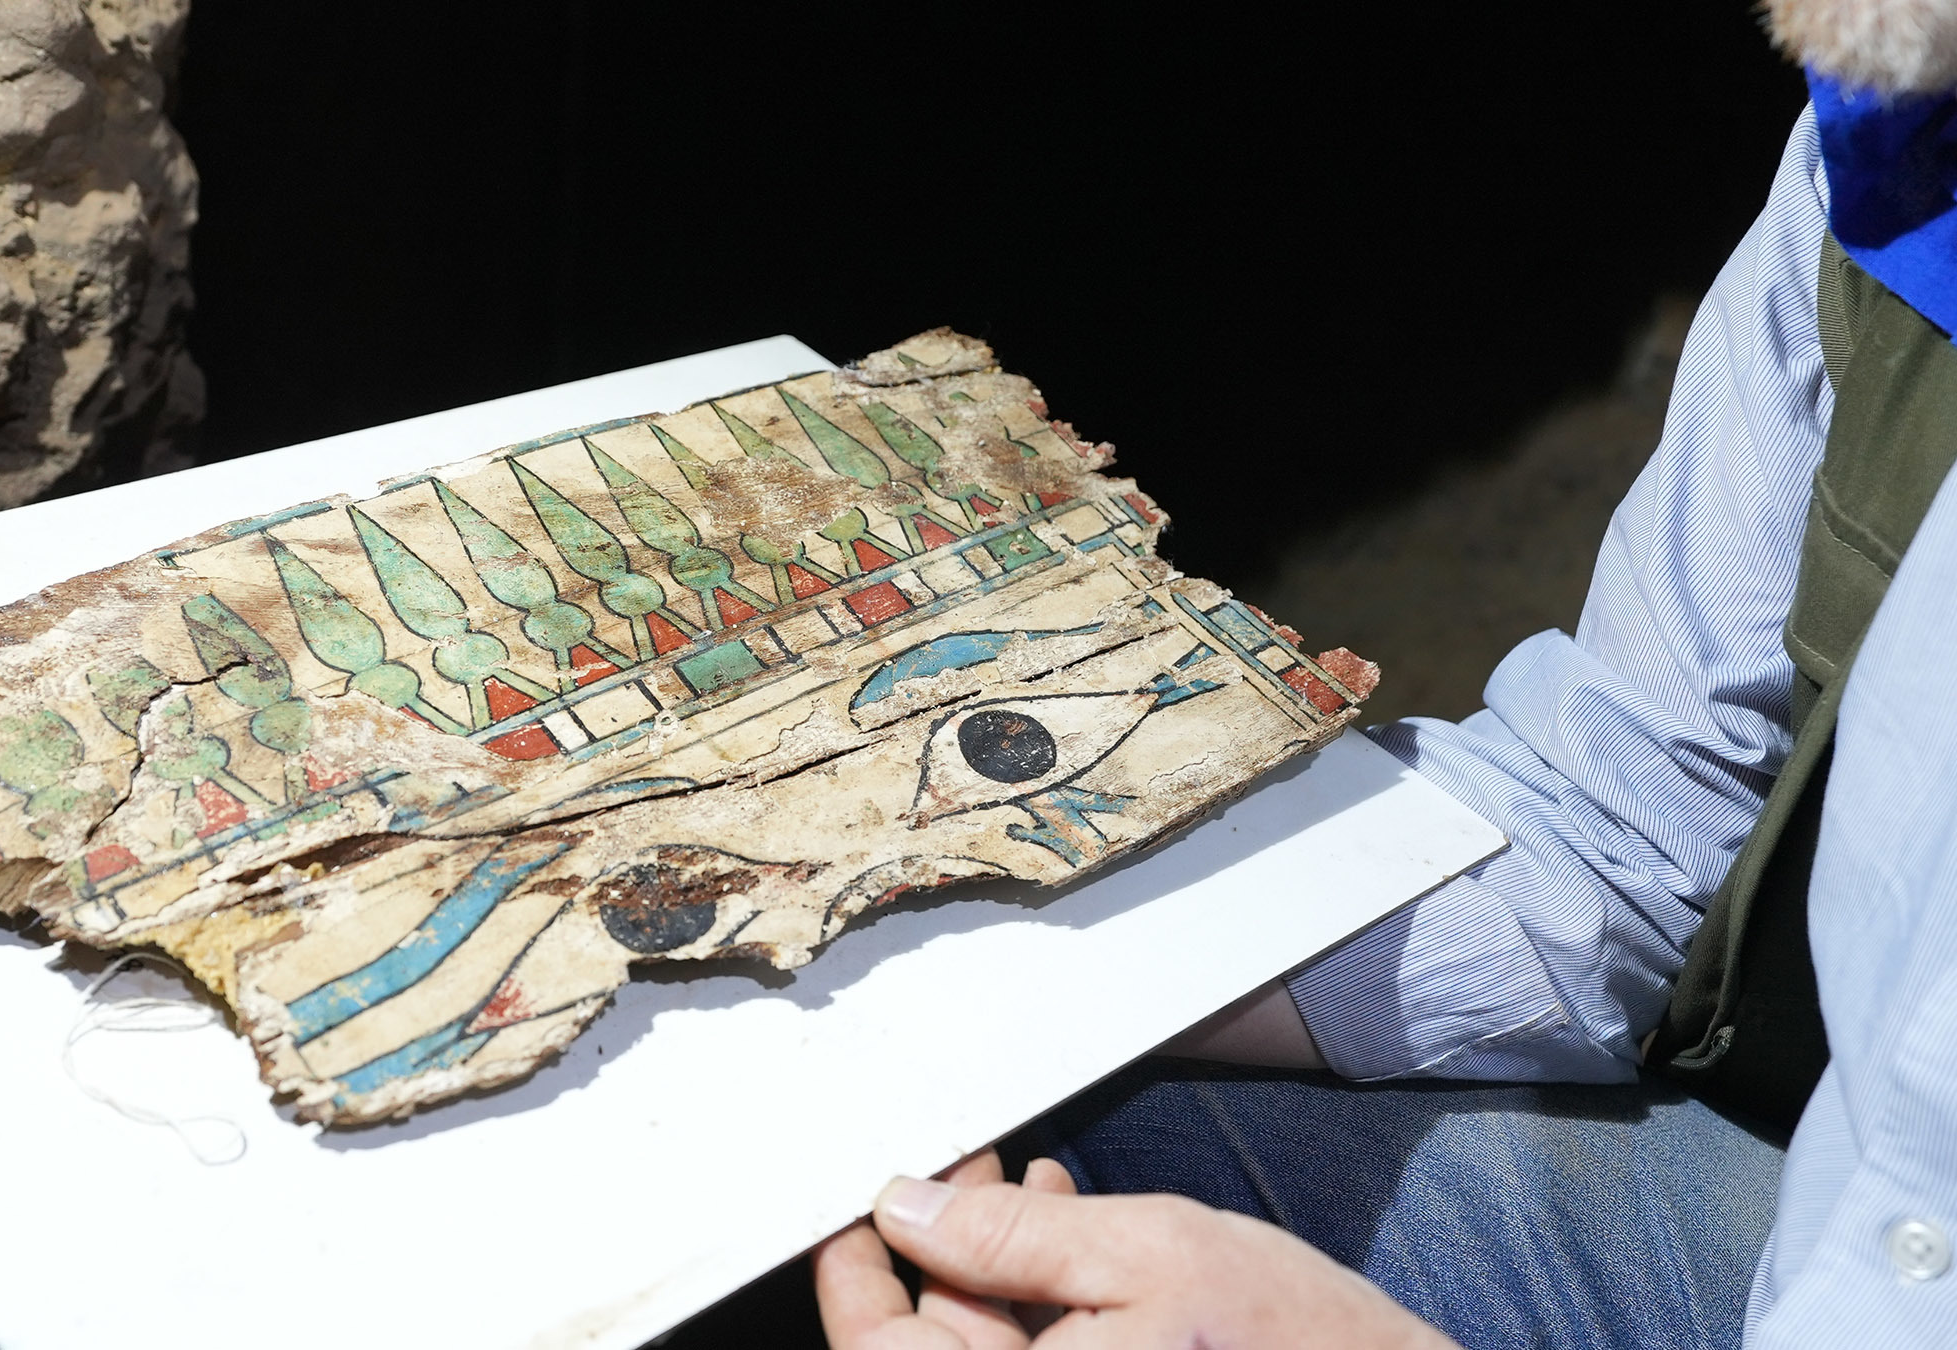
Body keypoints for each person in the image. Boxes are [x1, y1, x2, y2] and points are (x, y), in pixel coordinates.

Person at [814, 7, 1957, 1346]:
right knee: (1047, 1111)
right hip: (1858, 1224)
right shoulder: (1897, 135)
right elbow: (1625, 822)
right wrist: (978, 929)